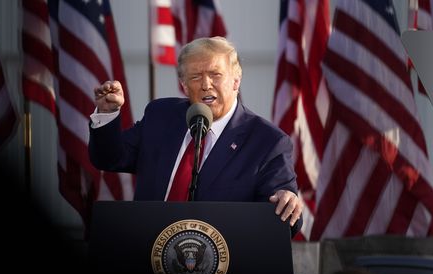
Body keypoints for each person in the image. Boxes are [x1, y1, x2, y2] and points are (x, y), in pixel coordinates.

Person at [88, 36, 303, 236]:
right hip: (148, 252)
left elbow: (284, 218)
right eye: (195, 76)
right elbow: (109, 157)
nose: (206, 84)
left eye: (215, 75)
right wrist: (107, 114)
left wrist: (288, 202)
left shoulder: (267, 142)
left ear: (236, 81)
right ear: (184, 85)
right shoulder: (160, 116)